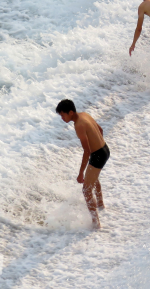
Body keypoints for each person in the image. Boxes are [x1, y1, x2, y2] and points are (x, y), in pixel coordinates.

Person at [55, 99, 109, 230]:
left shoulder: (79, 125)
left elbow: (87, 151)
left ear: (71, 112)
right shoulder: (85, 114)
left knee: (86, 190)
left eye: (63, 115)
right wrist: (97, 143)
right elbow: (100, 129)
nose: (62, 118)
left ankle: (96, 223)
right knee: (93, 178)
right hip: (105, 149)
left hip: (98, 154)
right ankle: (101, 204)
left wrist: (80, 173)